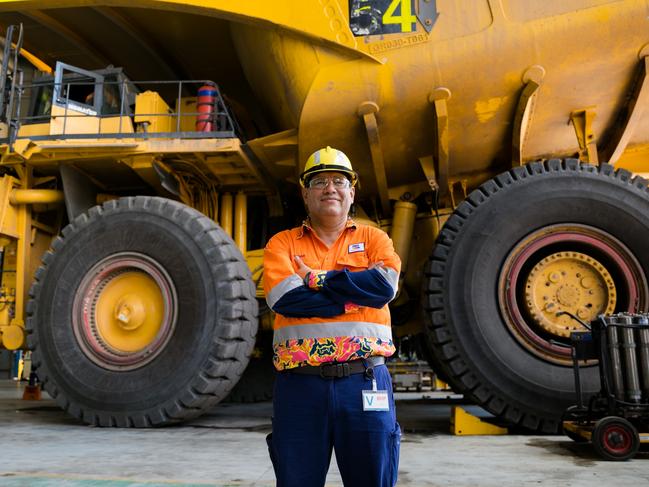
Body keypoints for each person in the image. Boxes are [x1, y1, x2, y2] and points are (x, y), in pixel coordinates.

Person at [263, 146, 402, 487]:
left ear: (351, 192)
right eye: (319, 181)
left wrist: (319, 280)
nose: (330, 188)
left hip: (365, 382)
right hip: (301, 388)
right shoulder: (282, 244)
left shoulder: (374, 239)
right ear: (305, 193)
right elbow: (286, 299)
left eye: (339, 181)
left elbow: (384, 286)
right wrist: (353, 298)